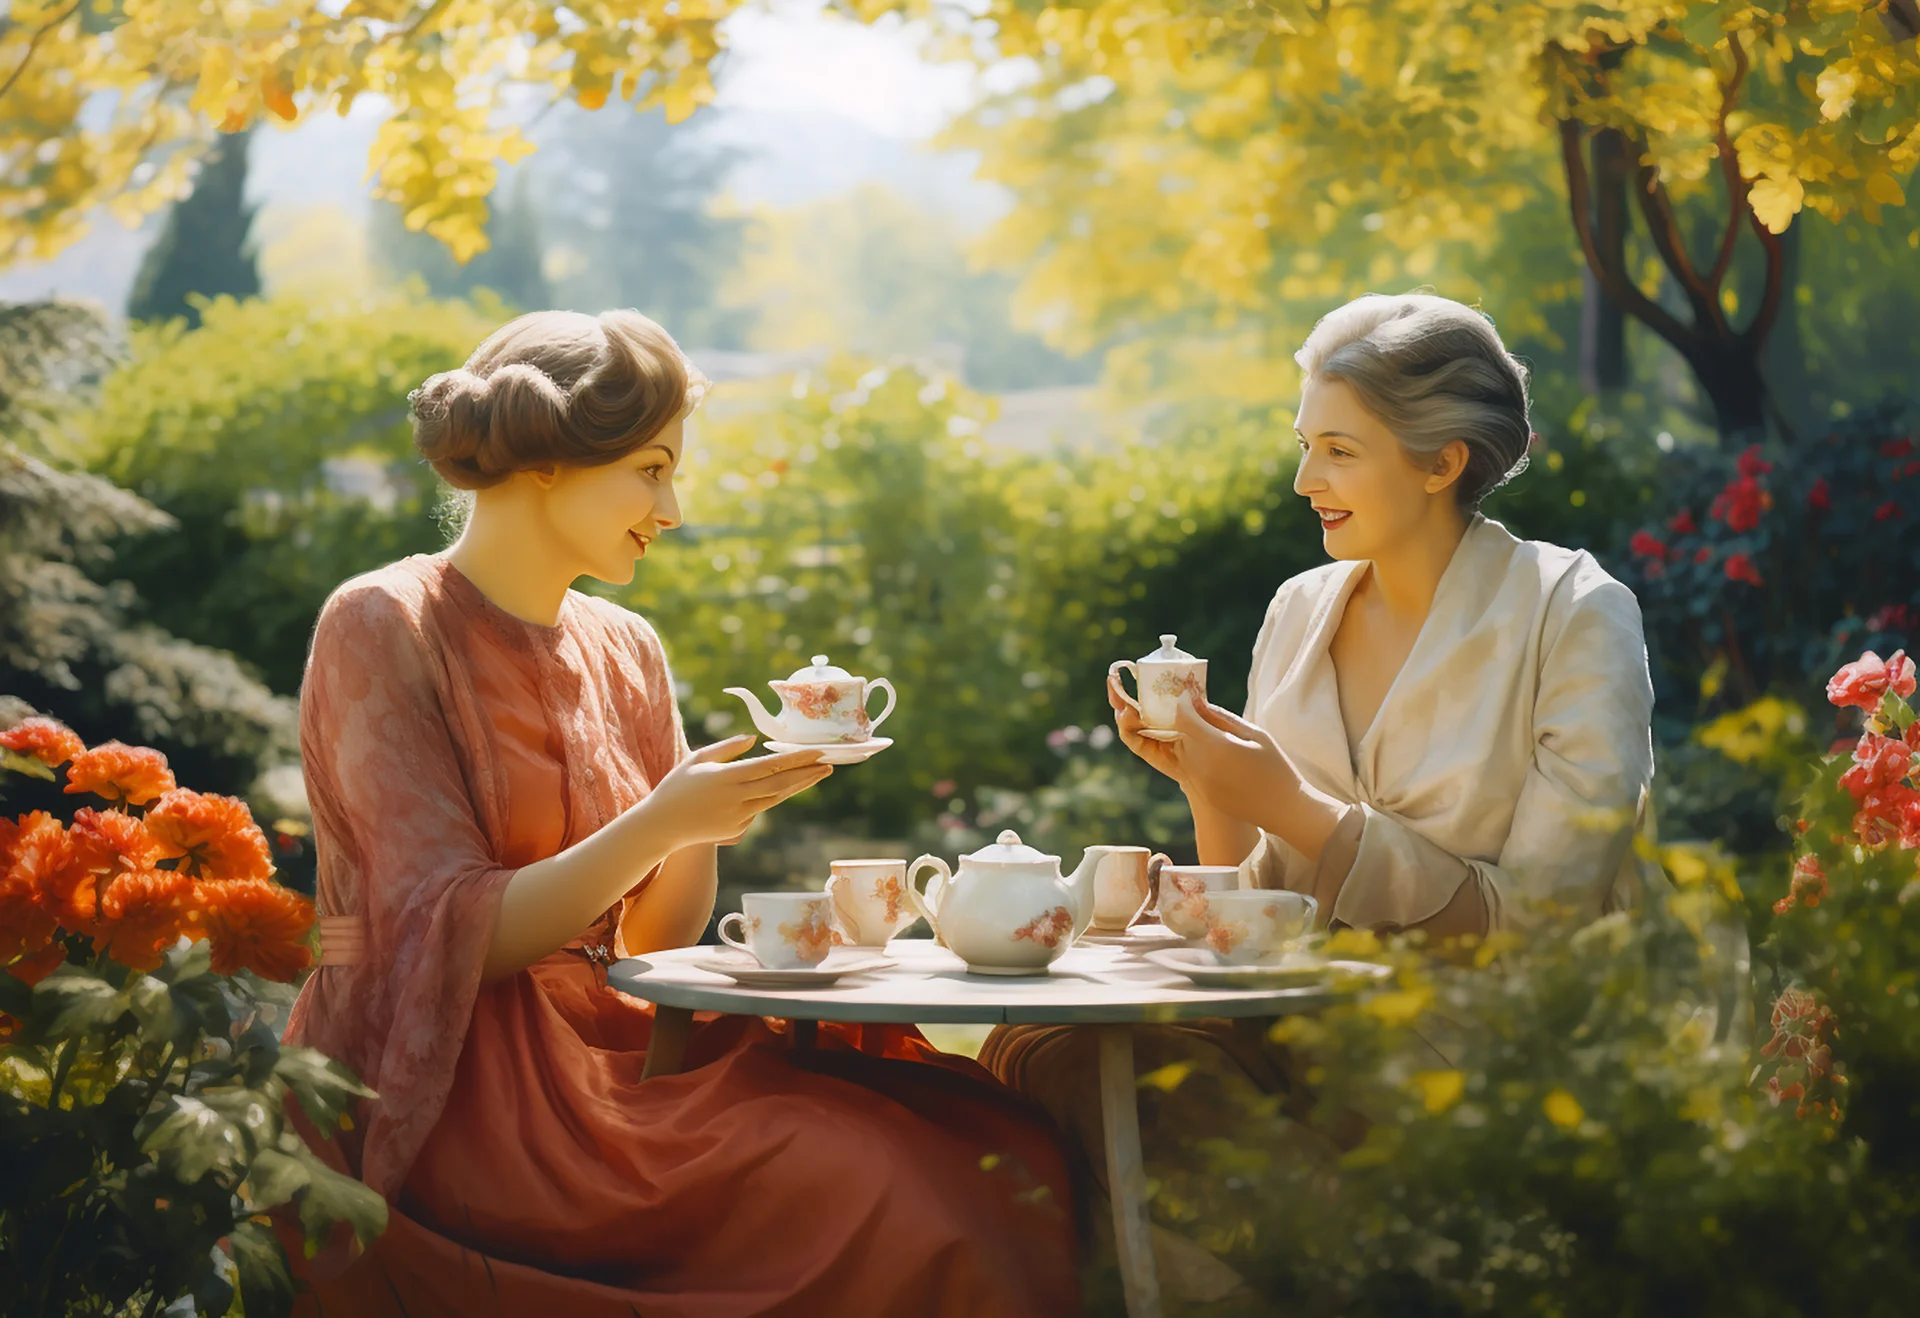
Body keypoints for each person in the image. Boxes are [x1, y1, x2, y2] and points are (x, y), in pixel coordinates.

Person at [279, 309, 1079, 1317]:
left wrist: (706, 823)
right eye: (652, 470)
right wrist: (660, 821)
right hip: (460, 1084)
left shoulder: (628, 645)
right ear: (546, 460)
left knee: (991, 1137)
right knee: (888, 1180)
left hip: (627, 1039)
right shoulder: (382, 621)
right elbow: (445, 937)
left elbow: (651, 943)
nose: (673, 509)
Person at [980, 292, 1665, 1295]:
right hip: (1292, 1032)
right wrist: (1212, 784)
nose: (1306, 481)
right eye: (1306, 446)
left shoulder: (1574, 613)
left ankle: (1356, 1266)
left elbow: (1540, 924)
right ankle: (1354, 1267)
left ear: (1442, 462)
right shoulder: (1299, 609)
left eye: (1339, 451)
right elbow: (1258, 903)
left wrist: (1294, 806)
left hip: (1472, 1056)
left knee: (1126, 1138)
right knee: (1044, 1047)